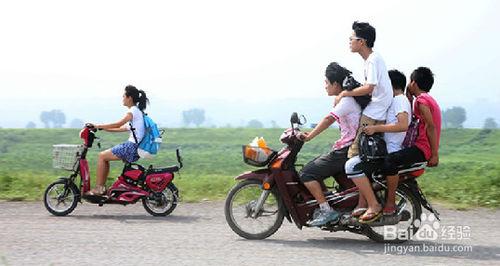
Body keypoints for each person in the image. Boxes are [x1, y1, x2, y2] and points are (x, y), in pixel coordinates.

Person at [299, 62, 370, 227]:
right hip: (349, 147)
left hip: (347, 150)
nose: (325, 86)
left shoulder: (347, 101)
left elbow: (328, 119)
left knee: (307, 173)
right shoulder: (347, 99)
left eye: (326, 82)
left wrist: (309, 136)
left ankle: (326, 210)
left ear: (336, 84)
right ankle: (331, 203)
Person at [344, 70, 412, 223]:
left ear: (390, 84)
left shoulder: (400, 100)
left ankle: (373, 205)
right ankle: (362, 204)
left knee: (351, 167)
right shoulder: (393, 101)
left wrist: (376, 129)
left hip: (389, 152)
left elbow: (402, 125)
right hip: (383, 150)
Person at [336, 21, 393, 159]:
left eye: (352, 39)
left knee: (354, 151)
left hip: (374, 110)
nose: (349, 42)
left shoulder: (372, 60)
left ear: (361, 42)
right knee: (372, 148)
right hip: (380, 108)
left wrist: (345, 93)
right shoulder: (373, 59)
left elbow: (369, 88)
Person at [85, 85, 149, 196]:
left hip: (131, 147)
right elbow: (121, 128)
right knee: (104, 157)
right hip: (134, 147)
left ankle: (99, 188)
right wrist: (101, 128)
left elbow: (119, 123)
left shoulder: (133, 111)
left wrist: (97, 125)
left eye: (124, 96)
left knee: (102, 156)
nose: (122, 98)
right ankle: (102, 188)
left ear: (129, 98)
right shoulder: (138, 112)